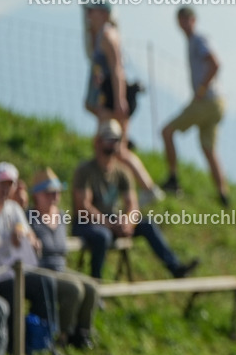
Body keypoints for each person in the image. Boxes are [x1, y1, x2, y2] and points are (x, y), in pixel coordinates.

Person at [72, 120, 199, 281]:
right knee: (102, 236)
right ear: (97, 141)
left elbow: (132, 204)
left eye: (116, 139)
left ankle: (175, 268)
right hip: (87, 224)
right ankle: (96, 283)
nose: (112, 143)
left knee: (147, 225)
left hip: (114, 222)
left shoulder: (122, 172)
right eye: (108, 138)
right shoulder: (85, 170)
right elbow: (83, 207)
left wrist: (128, 222)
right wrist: (111, 225)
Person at [84, 1, 162, 205]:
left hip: (113, 100)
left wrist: (119, 101)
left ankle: (146, 189)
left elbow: (117, 69)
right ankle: (125, 191)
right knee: (113, 148)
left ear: (103, 13)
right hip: (108, 98)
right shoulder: (102, 34)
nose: (88, 15)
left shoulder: (108, 36)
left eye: (91, 11)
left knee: (114, 148)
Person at [161, 7, 228, 205]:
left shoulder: (199, 40)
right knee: (209, 149)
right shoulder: (194, 41)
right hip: (217, 103)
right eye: (180, 20)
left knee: (167, 131)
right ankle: (223, 195)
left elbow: (215, 63)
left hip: (207, 101)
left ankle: (173, 179)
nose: (183, 23)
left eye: (186, 19)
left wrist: (201, 89)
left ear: (194, 20)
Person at [28, 168, 99, 349]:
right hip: (40, 269)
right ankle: (61, 335)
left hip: (60, 267)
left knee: (91, 286)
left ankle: (82, 333)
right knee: (74, 288)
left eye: (57, 192)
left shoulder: (60, 216)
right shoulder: (29, 217)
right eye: (49, 193)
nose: (54, 196)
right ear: (37, 195)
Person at [0, 162, 61, 355]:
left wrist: (31, 240)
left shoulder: (13, 209)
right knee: (13, 289)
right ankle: (16, 345)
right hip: (1, 275)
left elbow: (28, 232)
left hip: (14, 270)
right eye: (1, 184)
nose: (5, 189)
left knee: (44, 281)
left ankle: (45, 340)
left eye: (9, 185)